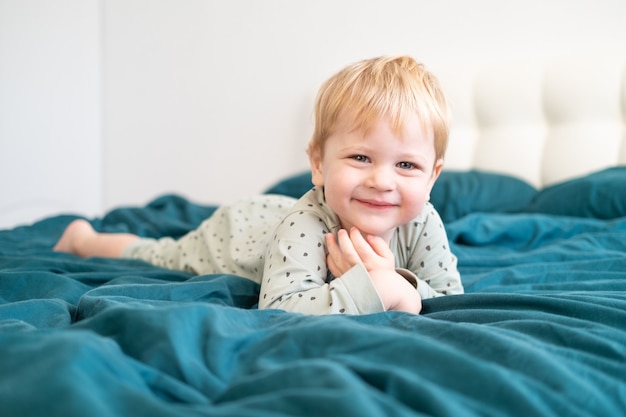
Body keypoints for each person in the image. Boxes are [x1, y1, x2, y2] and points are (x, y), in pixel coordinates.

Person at [54, 55, 464, 315]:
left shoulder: (422, 220)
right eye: (360, 157)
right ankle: (84, 238)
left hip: (270, 218)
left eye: (407, 165)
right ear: (318, 165)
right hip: (236, 236)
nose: (381, 181)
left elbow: (450, 296)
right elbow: (282, 306)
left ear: (432, 177)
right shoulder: (306, 227)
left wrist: (397, 282)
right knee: (162, 254)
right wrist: (376, 287)